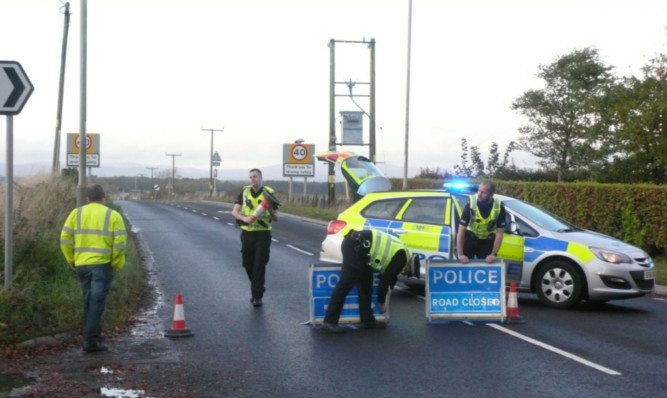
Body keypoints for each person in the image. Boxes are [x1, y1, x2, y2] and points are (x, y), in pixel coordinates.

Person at [60, 184, 127, 353]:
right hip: (102, 265)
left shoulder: (76, 213)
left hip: (82, 265)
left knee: (90, 301)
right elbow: (120, 243)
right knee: (97, 302)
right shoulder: (113, 215)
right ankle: (90, 341)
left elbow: (65, 237)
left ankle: (94, 337)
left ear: (88, 197)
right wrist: (116, 262)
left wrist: (71, 259)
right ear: (104, 195)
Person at [321, 229, 411, 333]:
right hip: (355, 246)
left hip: (359, 247)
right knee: (345, 284)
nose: (403, 273)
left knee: (366, 283)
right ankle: (329, 322)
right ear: (409, 265)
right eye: (406, 272)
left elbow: (389, 278)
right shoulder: (402, 258)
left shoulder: (403, 251)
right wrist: (382, 303)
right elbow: (385, 282)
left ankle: (367, 320)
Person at [232, 168, 278, 308]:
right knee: (247, 263)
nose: (253, 179)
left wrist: (269, 209)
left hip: (263, 234)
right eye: (251, 177)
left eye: (255, 176)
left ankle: (257, 296)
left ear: (261, 178)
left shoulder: (269, 193)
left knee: (259, 265)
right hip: (247, 233)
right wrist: (244, 218)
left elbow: (276, 218)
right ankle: (257, 288)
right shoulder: (245, 191)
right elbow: (234, 211)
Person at [456, 180, 506, 264]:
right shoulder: (471, 203)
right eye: (478, 190)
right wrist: (460, 254)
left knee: (486, 269)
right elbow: (461, 230)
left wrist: (493, 254)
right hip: (470, 240)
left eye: (483, 192)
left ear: (491, 194)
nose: (479, 194)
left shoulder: (499, 206)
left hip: (487, 242)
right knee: (466, 269)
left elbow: (500, 233)